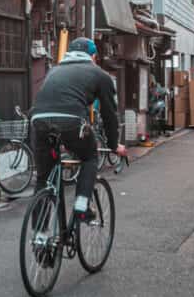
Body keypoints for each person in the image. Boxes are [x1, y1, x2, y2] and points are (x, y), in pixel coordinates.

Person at [30, 38, 125, 223]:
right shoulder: (99, 75)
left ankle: (39, 236)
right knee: (89, 157)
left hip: (38, 121)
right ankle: (82, 206)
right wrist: (114, 145)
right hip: (72, 121)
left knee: (44, 177)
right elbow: (109, 115)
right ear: (93, 56)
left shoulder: (53, 71)